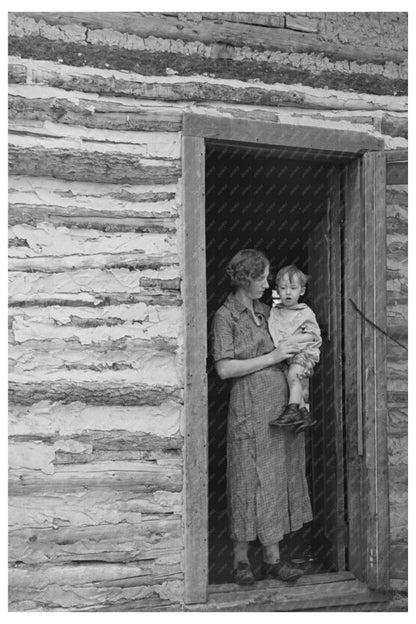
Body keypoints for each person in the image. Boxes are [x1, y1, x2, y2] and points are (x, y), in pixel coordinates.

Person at [211, 249, 313, 585]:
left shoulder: (268, 312)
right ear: (247, 279)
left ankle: (273, 559)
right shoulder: (226, 317)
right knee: (245, 481)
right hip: (248, 410)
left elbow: (293, 346)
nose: (268, 284)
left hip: (276, 411)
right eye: (263, 278)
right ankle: (241, 561)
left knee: (273, 479)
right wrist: (272, 356)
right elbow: (224, 369)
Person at [268, 265, 322, 433]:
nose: (288, 293)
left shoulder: (305, 312)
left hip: (304, 353)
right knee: (292, 379)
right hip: (287, 355)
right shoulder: (275, 312)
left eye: (293, 288)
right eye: (283, 288)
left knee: (293, 376)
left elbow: (313, 335)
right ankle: (305, 414)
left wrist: (294, 339)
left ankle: (292, 410)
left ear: (302, 290)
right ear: (277, 290)